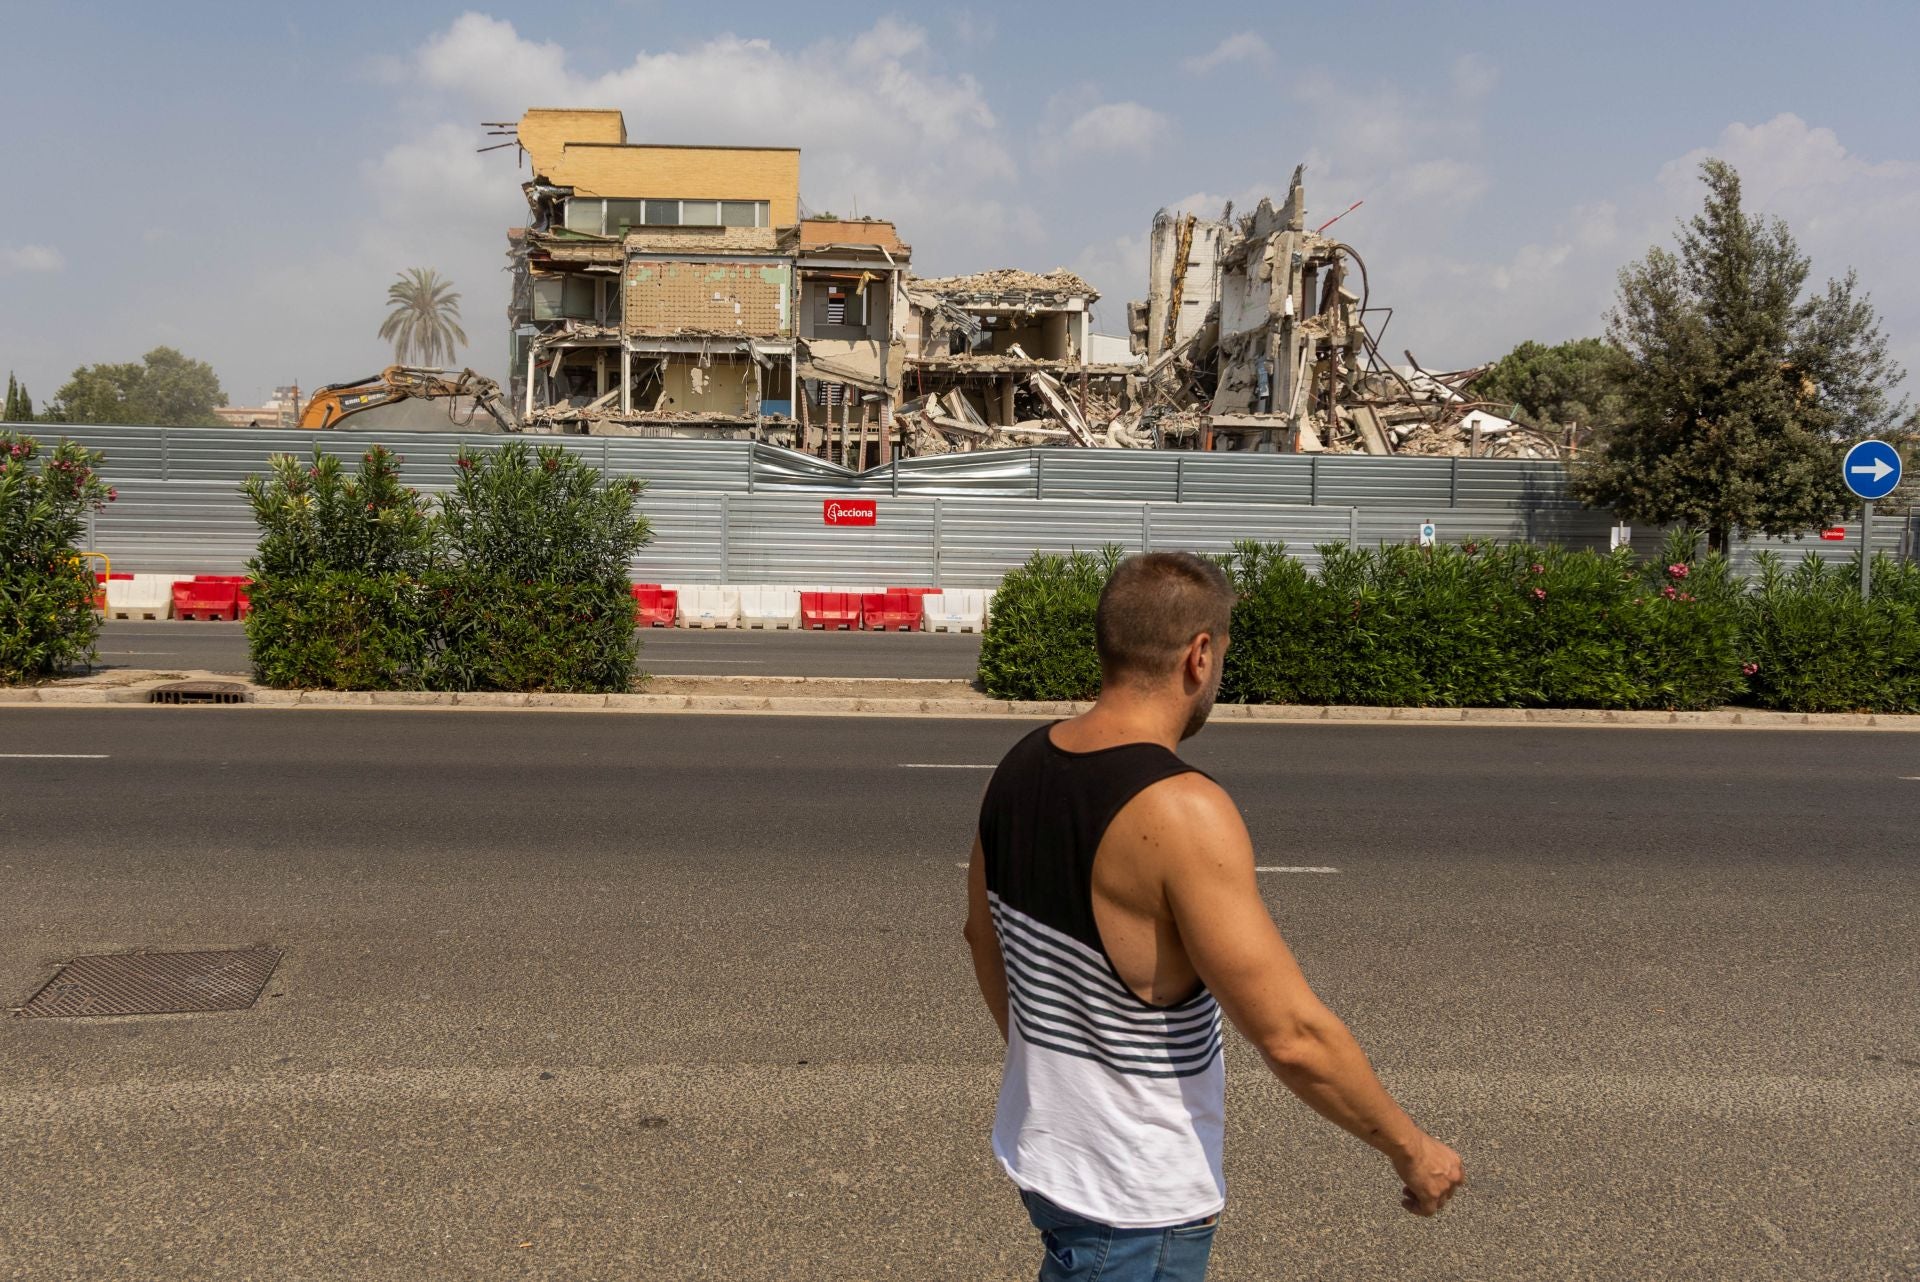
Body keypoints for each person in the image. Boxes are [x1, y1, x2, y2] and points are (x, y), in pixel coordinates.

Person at [964, 551, 1464, 1280]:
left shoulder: (1021, 761)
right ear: (1200, 656)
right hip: (1135, 1200)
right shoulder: (1183, 809)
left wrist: (1060, 1076)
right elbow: (1292, 1036)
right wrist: (1413, 1151)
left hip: (1049, 1155)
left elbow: (983, 937)